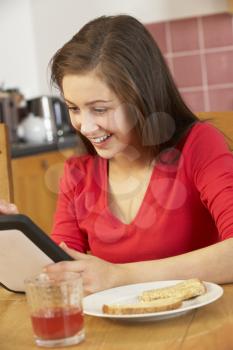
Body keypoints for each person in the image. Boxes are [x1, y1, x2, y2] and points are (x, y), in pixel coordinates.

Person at [1, 15, 233, 294]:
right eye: (74, 108)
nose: (85, 127)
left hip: (198, 328)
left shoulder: (198, 145)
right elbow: (63, 274)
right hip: (114, 335)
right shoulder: (78, 173)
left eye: (99, 109)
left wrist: (119, 275)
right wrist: (17, 241)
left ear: (142, 97)